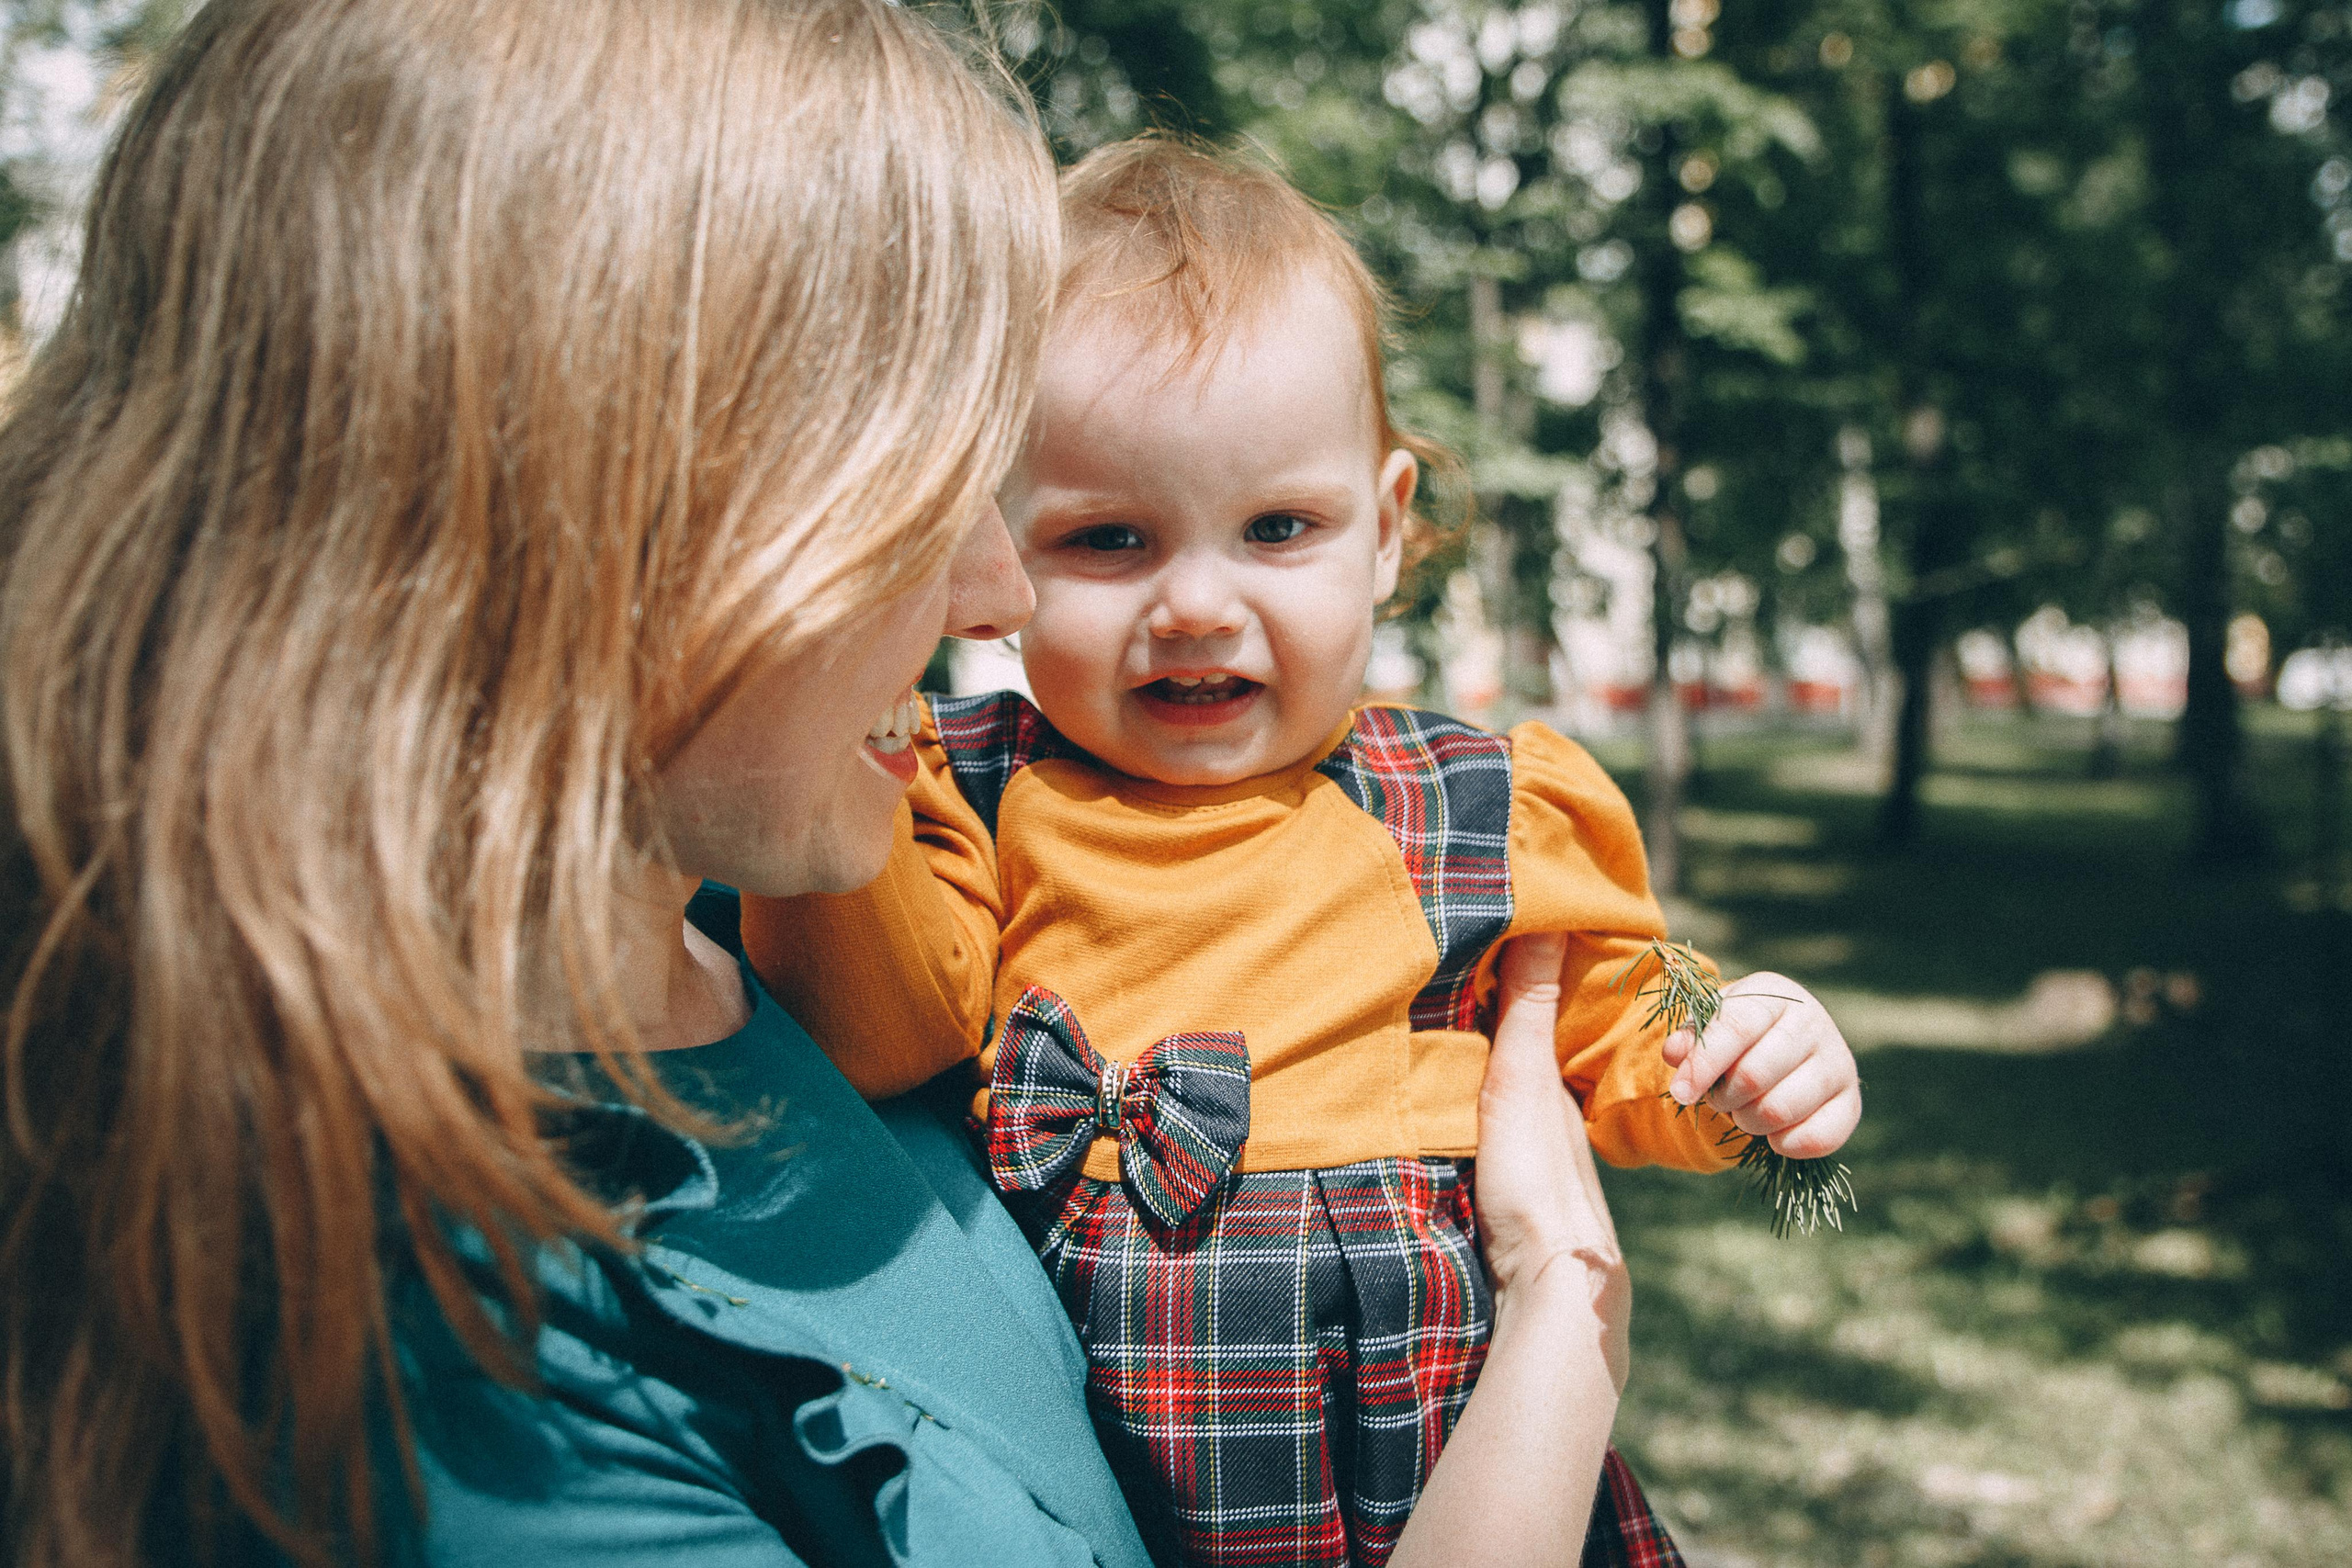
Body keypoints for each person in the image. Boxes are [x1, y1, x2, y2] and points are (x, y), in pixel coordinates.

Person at [2, 5, 1643, 1566]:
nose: (1000, 593)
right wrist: (1562, 1316)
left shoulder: (774, 911)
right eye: (911, 488)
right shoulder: (440, 1390)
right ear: (581, 507)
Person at [746, 137, 1863, 1567]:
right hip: (1121, 1480)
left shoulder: (1471, 799)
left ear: (1386, 530)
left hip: (1443, 1435)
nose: (1199, 604)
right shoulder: (964, 792)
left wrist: (1747, 1062)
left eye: (1279, 527)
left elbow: (1615, 1033)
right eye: (1109, 539)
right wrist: (853, 709)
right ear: (995, 550)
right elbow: (873, 1030)